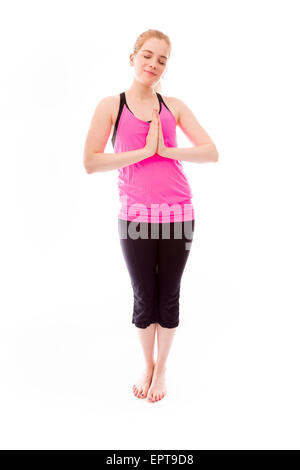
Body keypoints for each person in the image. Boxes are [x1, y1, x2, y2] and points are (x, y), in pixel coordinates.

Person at [83, 29, 219, 403]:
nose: (153, 64)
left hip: (178, 213)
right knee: (144, 296)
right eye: (147, 55)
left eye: (161, 59)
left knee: (168, 295)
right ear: (132, 58)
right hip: (135, 216)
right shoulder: (112, 105)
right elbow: (91, 162)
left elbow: (211, 152)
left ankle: (162, 370)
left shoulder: (173, 106)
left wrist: (166, 150)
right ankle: (147, 364)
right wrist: (143, 151)